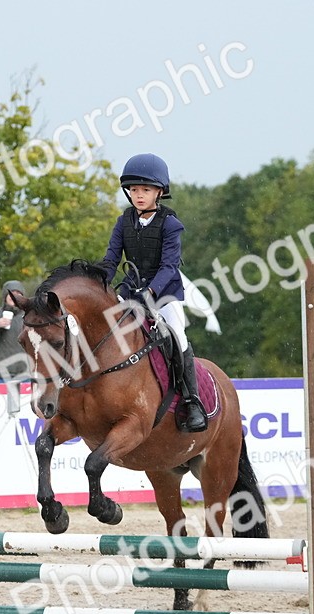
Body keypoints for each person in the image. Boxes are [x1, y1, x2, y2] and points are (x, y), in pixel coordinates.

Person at [98, 153, 206, 432]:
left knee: (178, 338)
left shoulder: (170, 224)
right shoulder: (123, 222)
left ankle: (192, 402)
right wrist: (100, 283)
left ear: (159, 191)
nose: (139, 195)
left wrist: (150, 291)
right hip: (130, 292)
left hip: (164, 294)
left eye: (145, 189)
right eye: (134, 190)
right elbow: (111, 259)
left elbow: (170, 267)